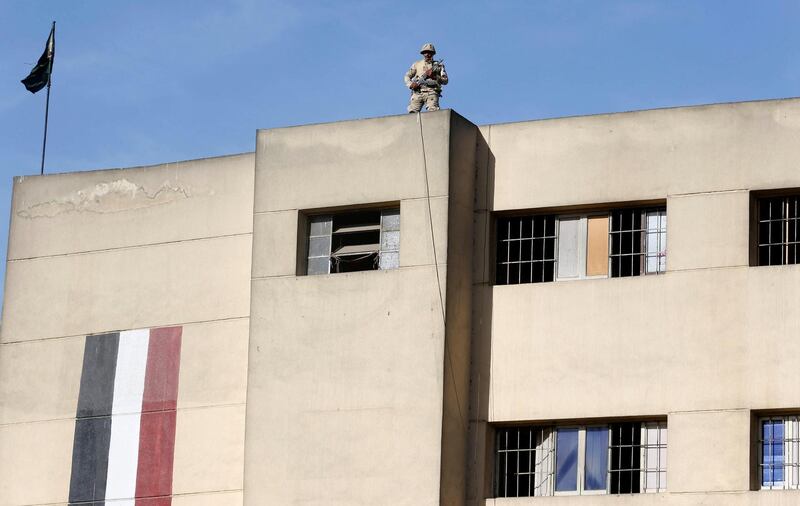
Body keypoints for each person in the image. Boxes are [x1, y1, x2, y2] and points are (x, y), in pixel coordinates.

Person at [404, 43, 448, 113]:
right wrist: (411, 84)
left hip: (432, 92)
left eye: (429, 52)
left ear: (433, 53)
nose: (427, 54)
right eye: (425, 52)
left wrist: (435, 76)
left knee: (433, 113)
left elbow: (445, 80)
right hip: (418, 92)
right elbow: (407, 76)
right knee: (412, 114)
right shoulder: (417, 64)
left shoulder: (438, 65)